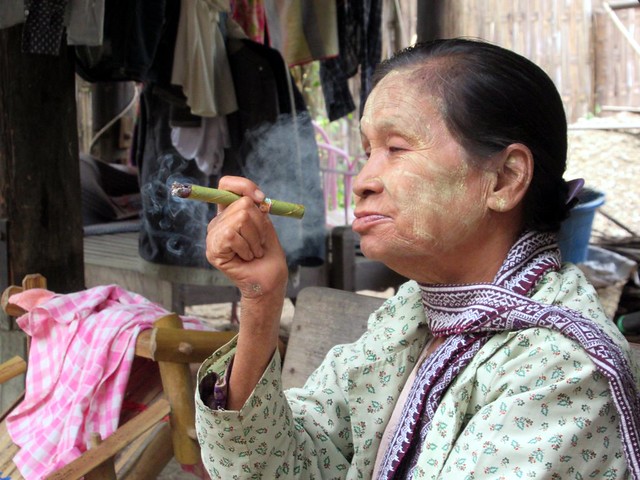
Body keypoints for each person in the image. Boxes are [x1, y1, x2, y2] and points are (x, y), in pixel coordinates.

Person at [194, 38, 640, 479]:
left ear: (504, 179)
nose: (362, 181)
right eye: (368, 151)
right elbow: (283, 469)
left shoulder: (560, 371)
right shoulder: (409, 317)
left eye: (397, 147)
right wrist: (261, 299)